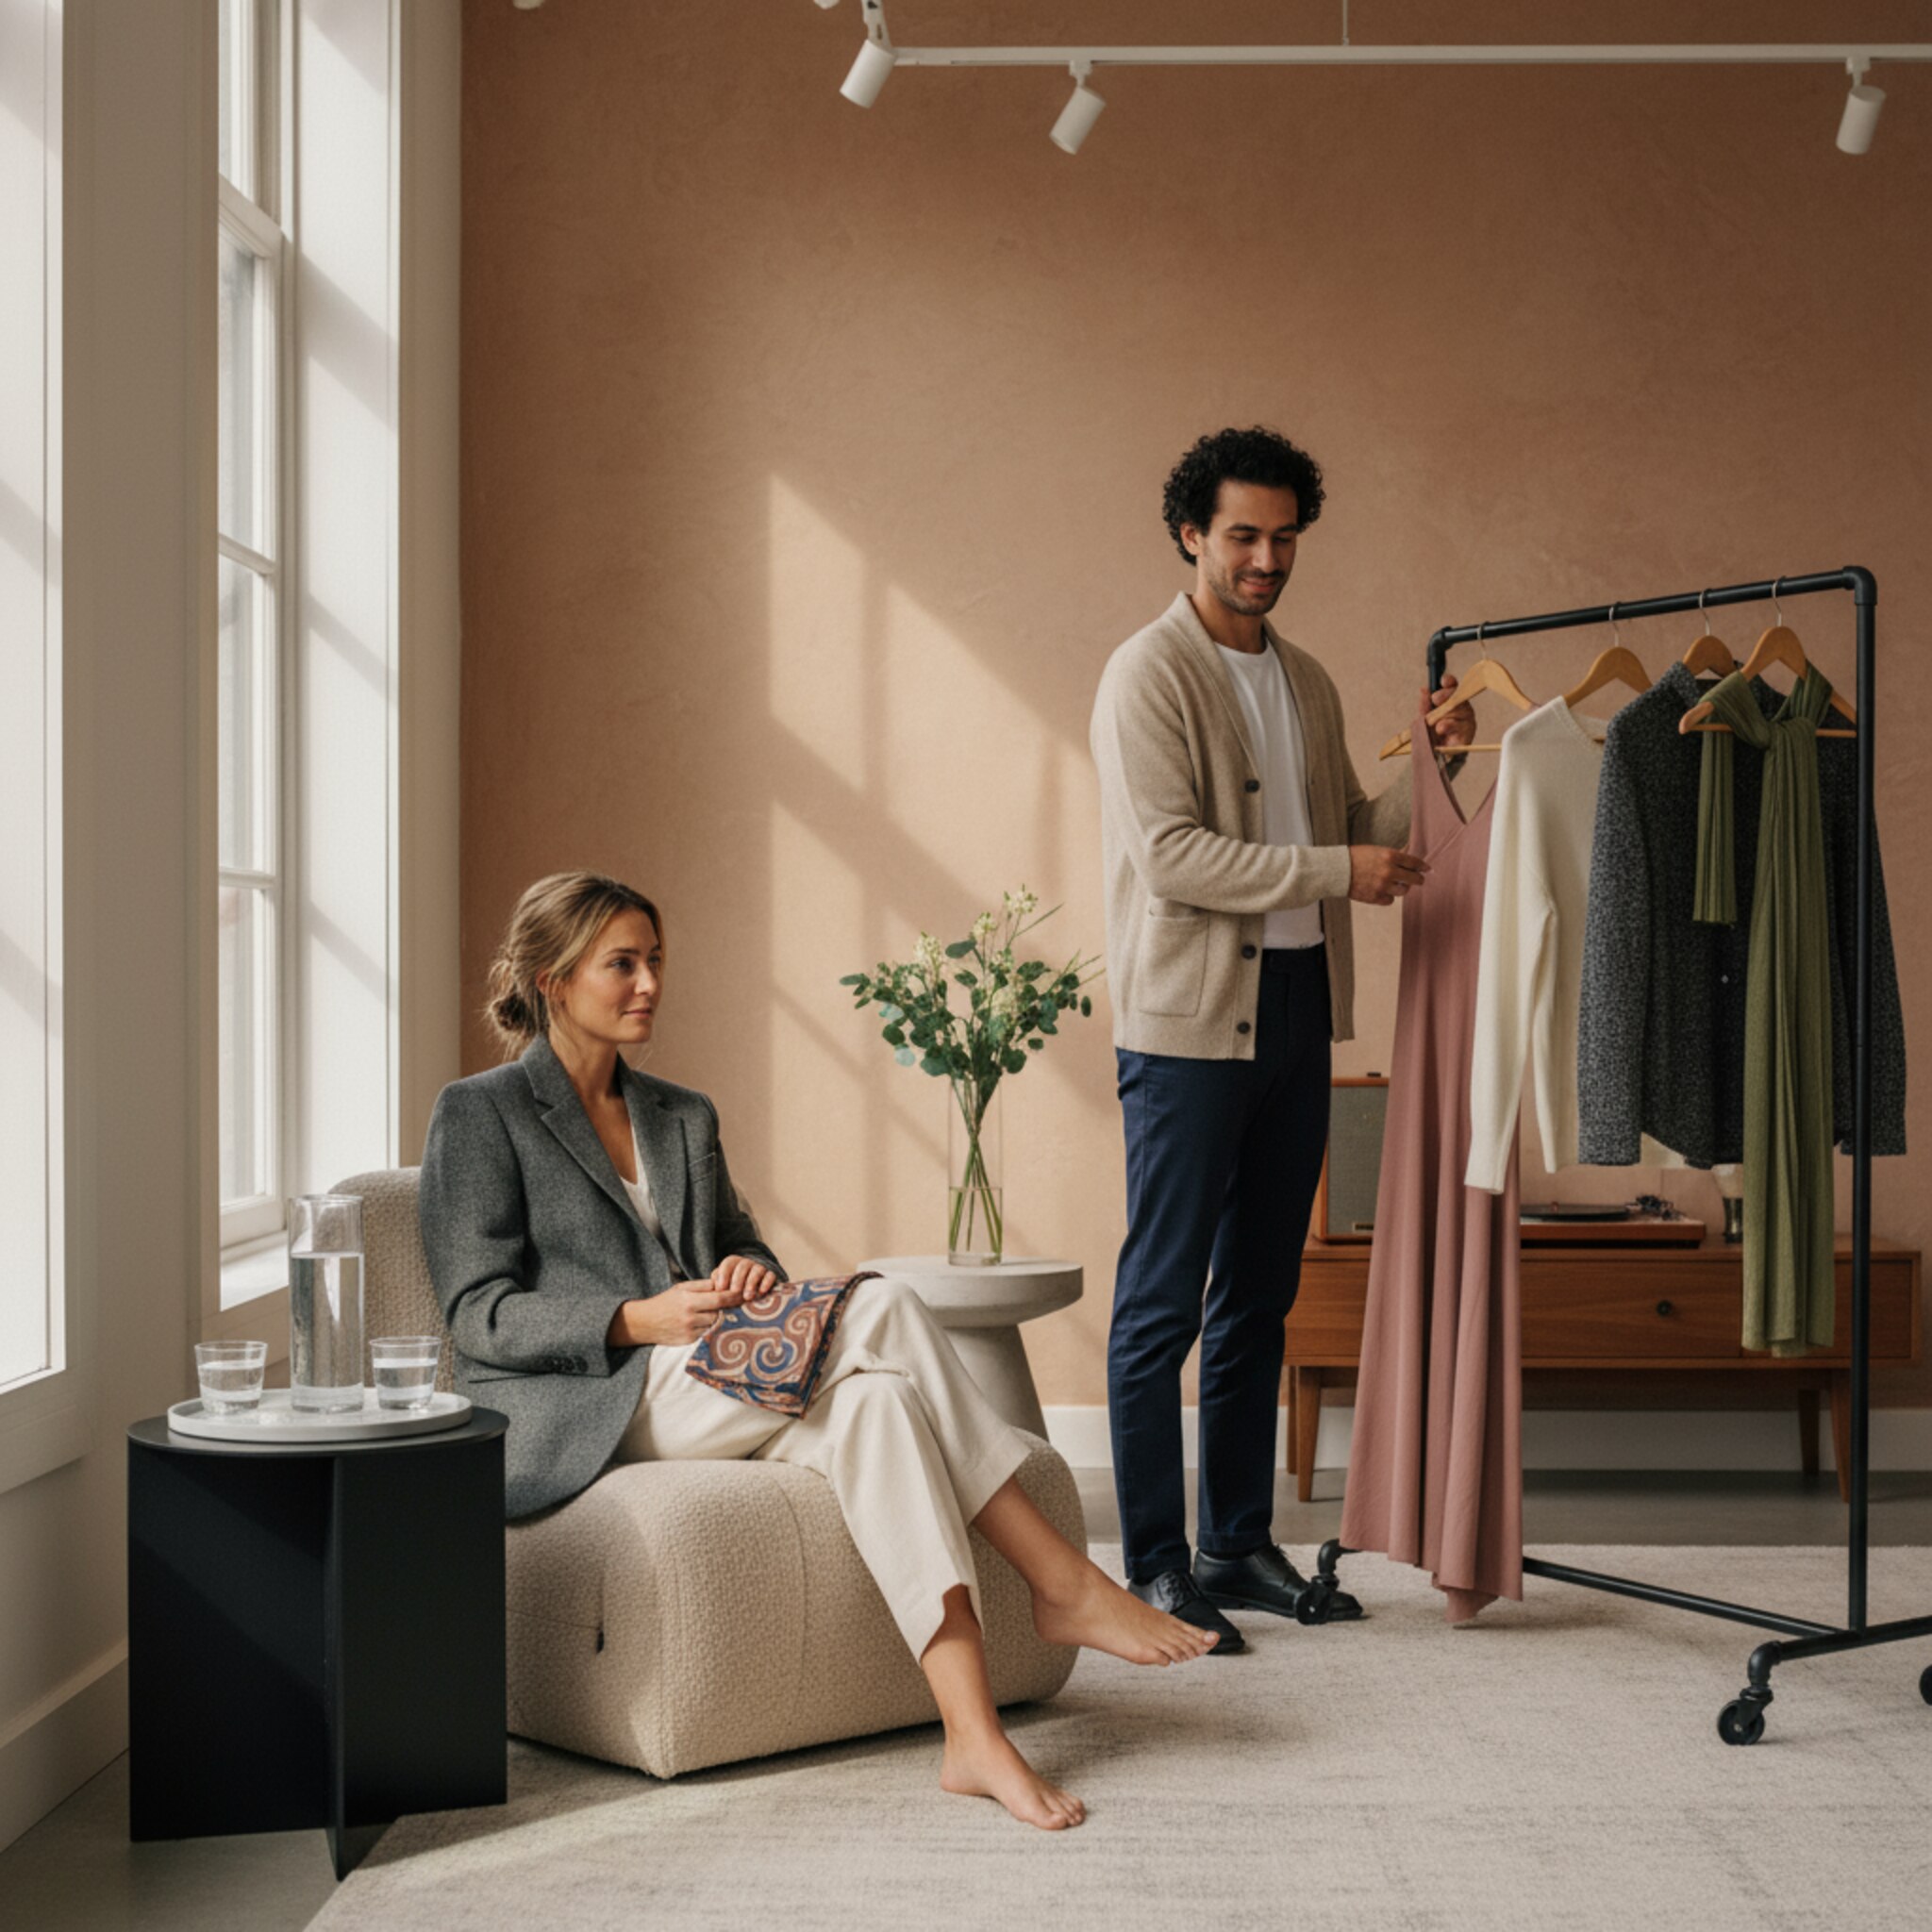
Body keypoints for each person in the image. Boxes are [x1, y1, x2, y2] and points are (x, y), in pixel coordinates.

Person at [419, 872, 1220, 1834]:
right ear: (552, 978)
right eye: (620, 964)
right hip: (592, 1398)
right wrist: (638, 1316)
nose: (648, 984)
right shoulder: (482, 1111)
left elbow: (746, 1246)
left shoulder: (681, 1113)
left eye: (654, 960)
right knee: (877, 1305)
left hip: (710, 1372)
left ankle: (970, 1733)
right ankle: (1060, 1578)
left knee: (877, 1402)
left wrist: (748, 1278)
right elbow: (477, 1313)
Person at [1088, 426, 1474, 1649]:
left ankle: (1236, 1542)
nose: (1265, 558)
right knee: (1162, 1303)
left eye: (1284, 537)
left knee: (1260, 1291)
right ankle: (1153, 1567)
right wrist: (1339, 863)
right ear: (1191, 533)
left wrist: (1430, 761)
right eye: (1243, 535)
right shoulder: (1146, 675)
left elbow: (1351, 829)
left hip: (1299, 1009)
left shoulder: (1303, 679)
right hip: (1191, 1027)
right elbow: (1174, 858)